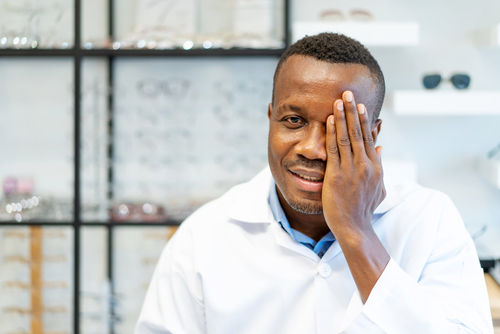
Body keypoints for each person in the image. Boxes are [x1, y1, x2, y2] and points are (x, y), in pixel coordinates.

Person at [135, 33, 493, 334]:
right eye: (293, 120)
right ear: (270, 119)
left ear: (373, 135)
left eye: (340, 130)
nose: (312, 149)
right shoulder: (202, 239)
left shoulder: (430, 220)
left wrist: (356, 233)